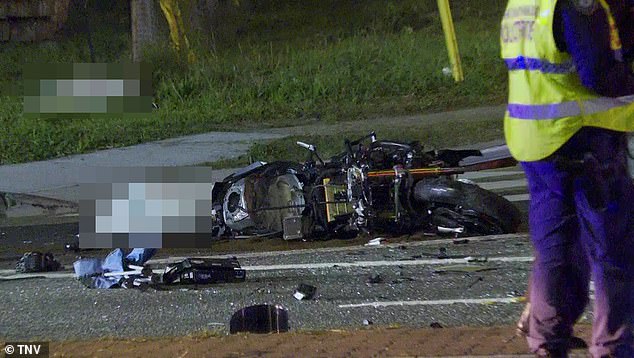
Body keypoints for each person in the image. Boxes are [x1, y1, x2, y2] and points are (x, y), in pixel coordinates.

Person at [501, 0, 634, 357]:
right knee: (614, 253)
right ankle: (614, 346)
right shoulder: (577, 4)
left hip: (537, 145)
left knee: (555, 250)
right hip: (583, 140)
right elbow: (598, 74)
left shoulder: (523, 4)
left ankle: (545, 341)